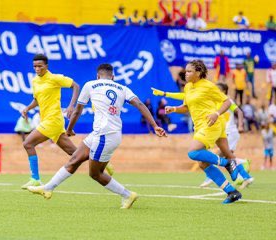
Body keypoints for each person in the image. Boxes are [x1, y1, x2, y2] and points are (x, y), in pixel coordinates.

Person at [27, 63, 167, 209]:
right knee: (75, 158)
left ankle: (127, 195)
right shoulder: (122, 88)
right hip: (105, 133)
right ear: (113, 77)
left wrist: (69, 129)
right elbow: (139, 103)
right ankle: (48, 188)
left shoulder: (91, 85)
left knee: (95, 173)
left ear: (97, 76)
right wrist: (155, 125)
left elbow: (77, 111)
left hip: (104, 135)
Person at [164, 60, 242, 204]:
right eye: (185, 71)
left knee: (193, 152)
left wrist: (216, 113)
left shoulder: (208, 85)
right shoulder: (188, 87)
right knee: (203, 164)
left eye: (189, 71)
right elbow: (187, 107)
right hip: (200, 127)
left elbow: (227, 102)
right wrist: (174, 109)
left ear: (198, 73)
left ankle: (227, 163)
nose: (185, 73)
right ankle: (232, 192)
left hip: (211, 124)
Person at [152, 84, 254, 189]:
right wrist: (165, 94)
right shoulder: (211, 100)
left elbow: (239, 112)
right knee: (225, 155)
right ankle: (245, 174)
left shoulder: (227, 101)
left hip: (229, 132)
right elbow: (184, 96)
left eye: (217, 89)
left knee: (219, 156)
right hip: (219, 131)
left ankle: (215, 175)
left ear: (223, 91)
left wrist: (241, 125)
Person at [20, 54, 80, 189]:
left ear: (46, 66)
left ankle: (35, 179)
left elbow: (75, 86)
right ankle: (104, 164)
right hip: (48, 120)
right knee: (75, 154)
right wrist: (27, 108)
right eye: (35, 66)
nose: (37, 69)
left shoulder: (54, 78)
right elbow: (37, 99)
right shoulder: (35, 81)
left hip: (53, 120)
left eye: (40, 66)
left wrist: (71, 106)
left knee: (28, 143)